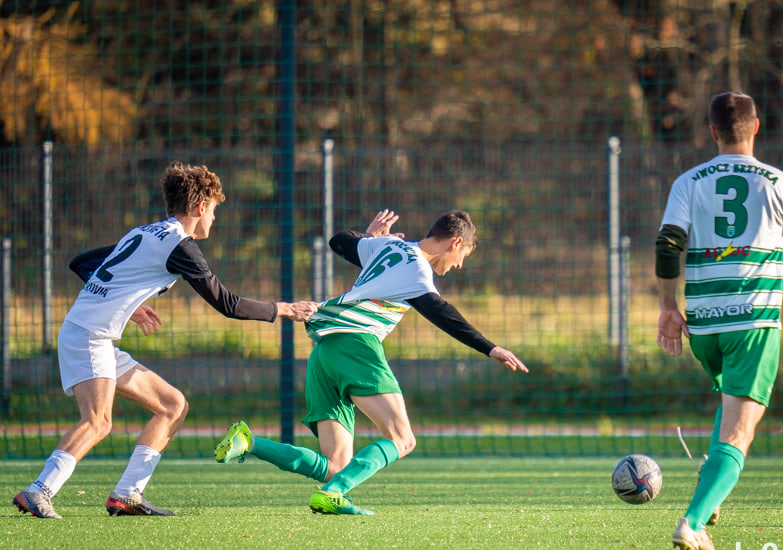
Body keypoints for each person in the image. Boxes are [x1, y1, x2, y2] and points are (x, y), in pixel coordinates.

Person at [13, 161, 319, 519]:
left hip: (93, 336)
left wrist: (131, 302)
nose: (214, 220)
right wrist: (285, 309)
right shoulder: (181, 246)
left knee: (172, 405)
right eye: (215, 210)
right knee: (98, 421)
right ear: (200, 207)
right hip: (89, 337)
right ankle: (39, 490)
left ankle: (127, 495)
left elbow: (81, 262)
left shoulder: (142, 232)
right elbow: (228, 304)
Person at [215, 209, 528, 515]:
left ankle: (249, 442)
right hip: (356, 345)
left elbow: (339, 240)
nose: (459, 265)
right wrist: (490, 348)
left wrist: (370, 236)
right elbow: (443, 314)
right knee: (402, 439)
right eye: (464, 256)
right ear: (455, 243)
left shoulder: (388, 245)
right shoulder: (418, 272)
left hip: (324, 351)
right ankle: (334, 493)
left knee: (336, 466)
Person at [655, 92, 783, 550]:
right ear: (755, 127)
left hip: (705, 327)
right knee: (740, 431)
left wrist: (669, 307)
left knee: (729, 409)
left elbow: (669, 245)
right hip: (754, 324)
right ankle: (691, 521)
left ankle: (707, 503)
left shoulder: (688, 181)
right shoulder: (781, 182)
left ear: (712, 132)